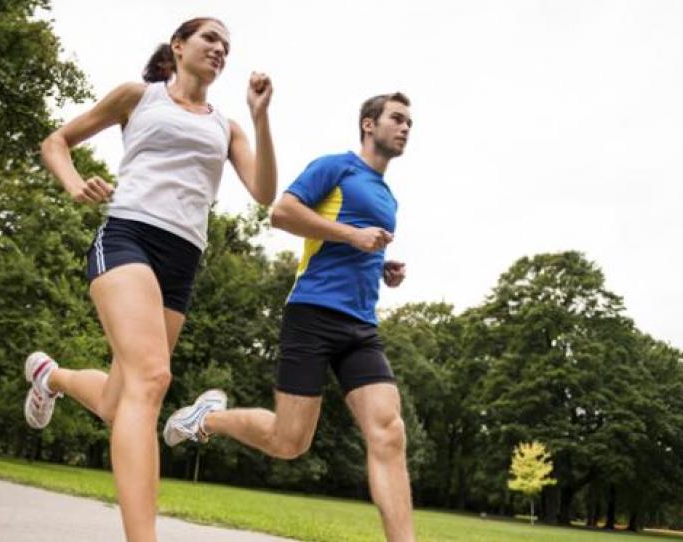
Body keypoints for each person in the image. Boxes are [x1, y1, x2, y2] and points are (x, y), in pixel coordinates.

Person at [27, 17, 276, 542]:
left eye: (226, 46)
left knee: (122, 403)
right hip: (128, 238)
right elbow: (56, 142)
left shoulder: (226, 126)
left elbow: (264, 192)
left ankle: (52, 377)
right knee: (153, 381)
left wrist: (260, 118)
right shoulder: (138, 97)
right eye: (210, 38)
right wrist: (73, 184)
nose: (220, 49)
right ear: (179, 46)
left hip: (182, 261)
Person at [164, 92, 415, 542]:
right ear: (368, 125)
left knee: (389, 432)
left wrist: (382, 267)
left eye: (409, 123)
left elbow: (353, 249)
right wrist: (353, 236)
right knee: (289, 442)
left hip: (361, 327)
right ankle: (206, 418)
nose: (405, 128)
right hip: (313, 314)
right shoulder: (335, 167)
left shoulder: (389, 197)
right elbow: (281, 213)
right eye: (396, 119)